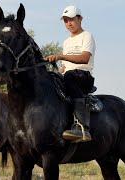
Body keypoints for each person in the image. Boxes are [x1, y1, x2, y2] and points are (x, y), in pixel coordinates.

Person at [45, 5, 96, 143]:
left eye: (72, 19)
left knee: (69, 76)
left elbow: (85, 58)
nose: (69, 23)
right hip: (69, 76)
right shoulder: (66, 42)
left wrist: (61, 56)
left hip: (83, 76)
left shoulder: (87, 36)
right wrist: (53, 71)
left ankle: (82, 127)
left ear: (80, 19)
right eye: (66, 21)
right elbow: (65, 68)